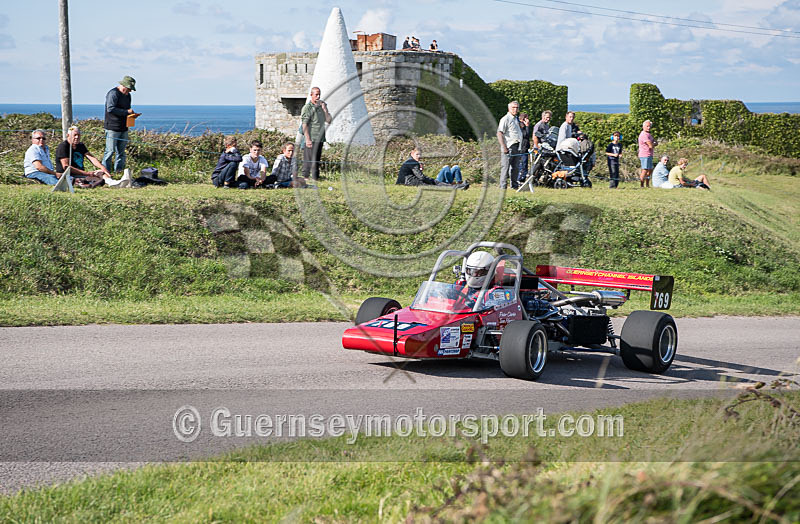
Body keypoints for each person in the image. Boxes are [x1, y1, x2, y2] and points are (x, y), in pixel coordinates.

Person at [55, 126, 121, 188]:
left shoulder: (81, 145)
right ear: (68, 136)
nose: (77, 137)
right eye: (74, 135)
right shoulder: (63, 147)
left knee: (101, 173)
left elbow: (91, 158)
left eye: (78, 135)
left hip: (82, 174)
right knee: (96, 177)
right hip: (70, 176)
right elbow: (66, 167)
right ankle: (104, 183)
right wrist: (87, 173)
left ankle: (112, 183)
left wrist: (102, 167)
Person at [103, 75, 137, 173]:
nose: (130, 91)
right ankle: (105, 172)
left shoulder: (128, 96)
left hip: (123, 127)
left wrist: (131, 115)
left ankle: (119, 171)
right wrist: (126, 112)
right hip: (112, 127)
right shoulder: (113, 94)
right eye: (129, 89)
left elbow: (126, 110)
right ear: (124, 86)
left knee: (121, 152)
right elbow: (110, 109)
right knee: (109, 151)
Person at [396, 148, 468, 189]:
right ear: (412, 154)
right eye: (417, 154)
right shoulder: (412, 162)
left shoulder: (410, 161)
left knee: (436, 182)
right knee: (435, 185)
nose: (419, 156)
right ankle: (459, 187)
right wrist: (430, 180)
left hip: (408, 182)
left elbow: (418, 175)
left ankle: (459, 186)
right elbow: (421, 177)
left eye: (420, 154)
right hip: (410, 183)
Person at [301, 86, 331, 181]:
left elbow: (329, 120)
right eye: (316, 95)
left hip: (320, 137)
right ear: (311, 95)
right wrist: (307, 139)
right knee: (308, 159)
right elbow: (304, 124)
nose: (318, 97)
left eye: (319, 95)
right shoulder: (307, 108)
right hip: (311, 137)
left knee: (317, 159)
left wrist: (325, 109)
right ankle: (306, 177)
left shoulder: (322, 106)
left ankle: (315, 178)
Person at [497, 101, 522, 189]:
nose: (515, 109)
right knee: (505, 167)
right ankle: (503, 186)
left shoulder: (516, 119)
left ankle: (514, 186)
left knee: (515, 167)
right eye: (513, 107)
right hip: (509, 146)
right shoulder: (505, 119)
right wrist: (504, 147)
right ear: (509, 108)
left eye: (517, 108)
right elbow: (499, 133)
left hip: (517, 146)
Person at [638, 120, 655, 188]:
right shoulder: (643, 135)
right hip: (644, 155)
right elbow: (650, 145)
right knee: (644, 170)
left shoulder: (649, 134)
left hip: (650, 154)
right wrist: (653, 144)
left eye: (649, 126)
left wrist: (653, 143)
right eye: (647, 126)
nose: (649, 128)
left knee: (650, 169)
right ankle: (642, 185)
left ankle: (647, 185)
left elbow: (655, 142)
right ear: (643, 126)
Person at [517, 112, 531, 185]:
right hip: (521, 149)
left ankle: (522, 179)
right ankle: (519, 179)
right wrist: (527, 126)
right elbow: (525, 135)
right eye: (527, 118)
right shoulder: (520, 126)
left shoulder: (523, 126)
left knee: (525, 165)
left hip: (525, 148)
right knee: (522, 165)